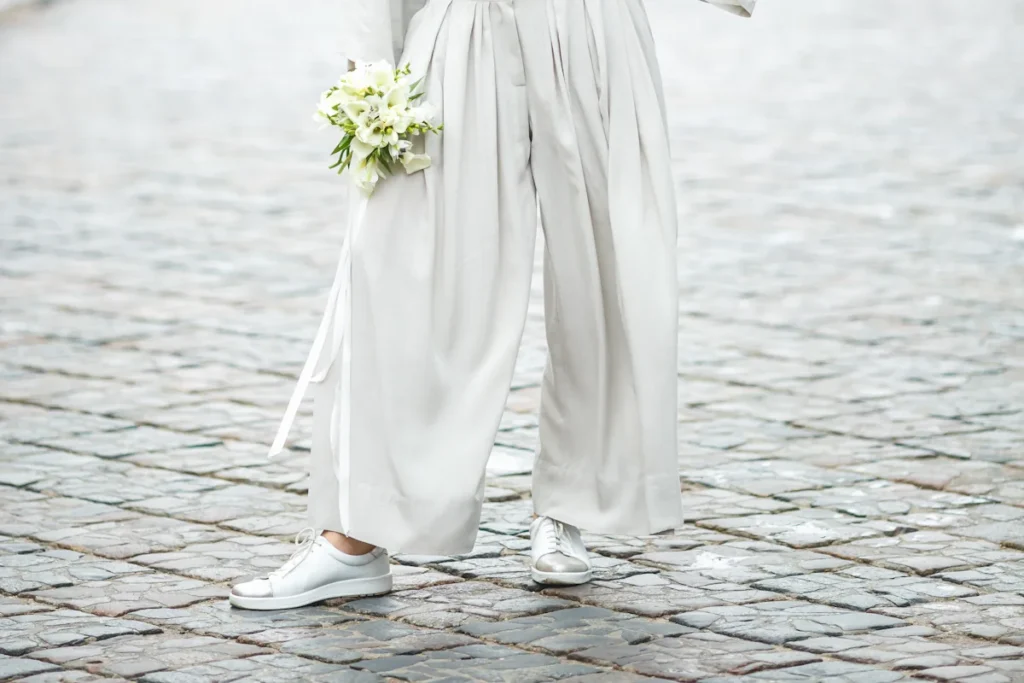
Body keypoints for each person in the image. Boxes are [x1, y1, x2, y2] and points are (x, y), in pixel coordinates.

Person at [230, 0, 754, 611]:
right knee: (404, 265)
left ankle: (572, 500)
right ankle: (356, 536)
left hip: (591, 24)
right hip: (461, 24)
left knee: (606, 273)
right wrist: (369, 68)